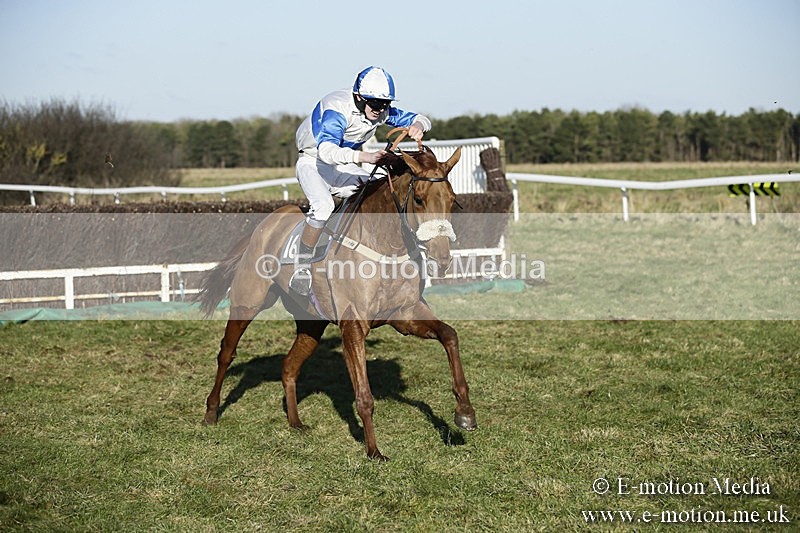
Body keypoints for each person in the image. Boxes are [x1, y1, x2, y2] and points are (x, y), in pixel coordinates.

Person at [290, 66, 432, 296]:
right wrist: (364, 157)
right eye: (375, 104)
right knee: (324, 206)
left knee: (380, 189)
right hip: (313, 163)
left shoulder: (380, 108)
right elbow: (326, 151)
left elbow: (421, 118)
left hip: (343, 164)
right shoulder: (337, 108)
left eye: (384, 104)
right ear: (358, 97)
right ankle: (302, 267)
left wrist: (418, 126)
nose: (380, 110)